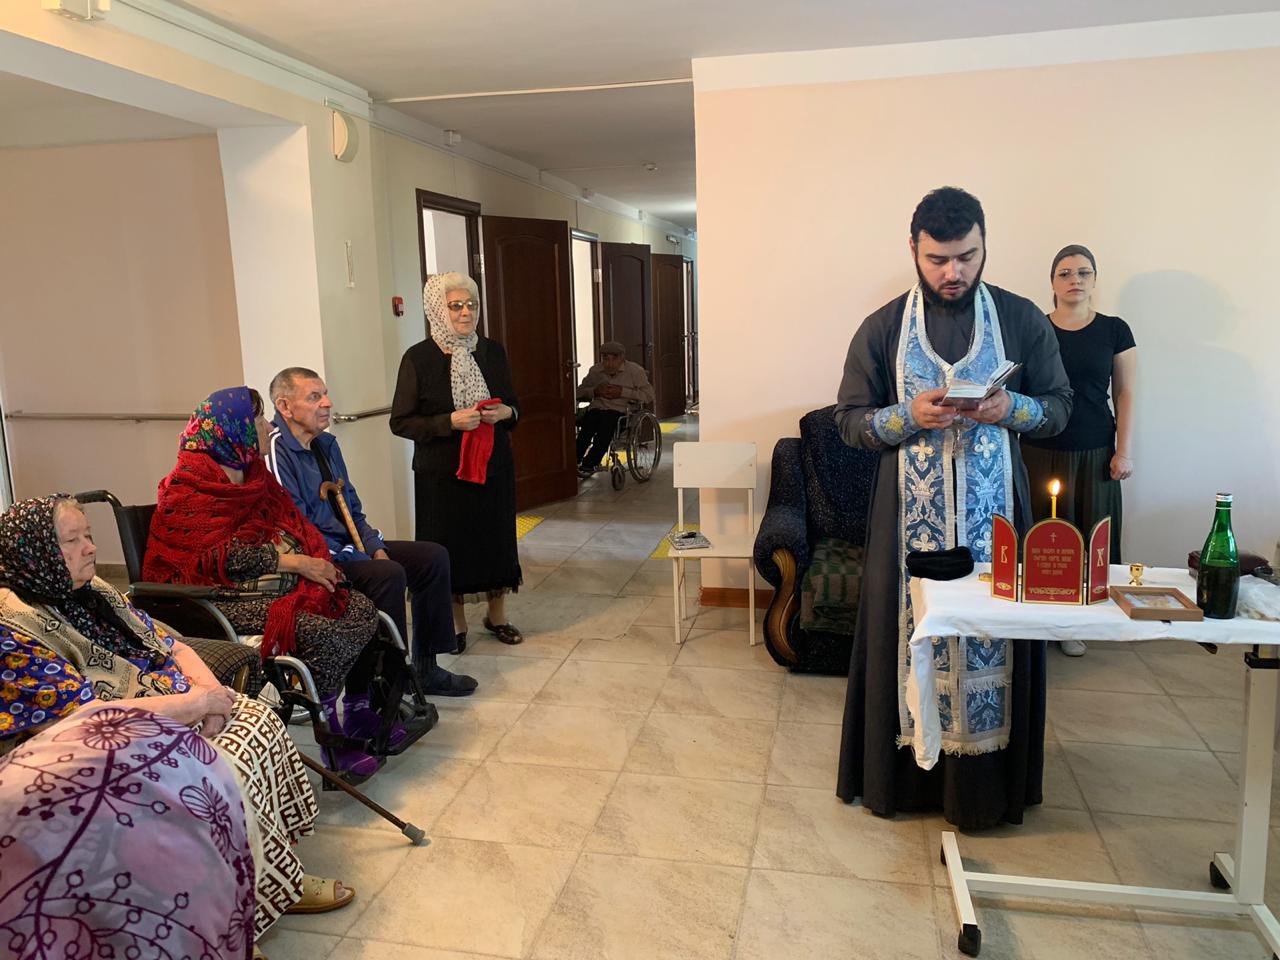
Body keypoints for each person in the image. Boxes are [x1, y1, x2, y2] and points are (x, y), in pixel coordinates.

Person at [0, 495, 355, 956]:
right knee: (213, 769)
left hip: (164, 705)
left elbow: (171, 644)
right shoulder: (14, 625)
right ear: (36, 553)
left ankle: (274, 876)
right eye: (72, 540)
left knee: (256, 720)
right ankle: (223, 921)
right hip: (88, 750)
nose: (91, 547)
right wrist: (195, 705)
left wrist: (213, 697)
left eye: (88, 535)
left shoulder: (93, 591)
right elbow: (86, 719)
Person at [834, 186, 1073, 830]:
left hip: (998, 523)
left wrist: (1011, 408)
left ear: (984, 245)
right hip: (905, 528)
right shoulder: (882, 328)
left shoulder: (1021, 318)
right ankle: (907, 784)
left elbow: (1059, 407)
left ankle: (985, 792)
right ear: (913, 250)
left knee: (994, 640)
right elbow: (849, 422)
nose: (952, 272)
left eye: (966, 257)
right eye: (937, 259)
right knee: (908, 637)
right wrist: (907, 415)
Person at [144, 387, 424, 785]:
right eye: (258, 420)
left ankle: (358, 711)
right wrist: (295, 562)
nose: (267, 426)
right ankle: (331, 735)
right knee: (314, 626)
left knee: (357, 606)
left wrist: (314, 559)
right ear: (234, 431)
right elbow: (214, 558)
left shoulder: (254, 476)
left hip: (262, 585)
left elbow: (293, 523)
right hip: (212, 595)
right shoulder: (187, 487)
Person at [266, 366, 477, 694]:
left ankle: (426, 669)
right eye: (314, 397)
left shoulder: (326, 445)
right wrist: (356, 554)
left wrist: (373, 545)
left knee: (431, 558)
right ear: (285, 406)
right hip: (319, 559)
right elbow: (296, 530)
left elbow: (352, 506)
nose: (327, 403)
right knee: (387, 574)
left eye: (325, 394)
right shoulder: (276, 452)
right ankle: (389, 687)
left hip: (349, 547)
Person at [391, 272, 524, 648]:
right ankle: (456, 623)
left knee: (496, 541)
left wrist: (507, 413)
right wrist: (448, 421)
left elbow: (515, 405)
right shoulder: (418, 358)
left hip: (493, 467)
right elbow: (401, 422)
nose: (466, 313)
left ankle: (497, 616)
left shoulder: (492, 352)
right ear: (437, 309)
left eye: (472, 305)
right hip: (441, 475)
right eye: (455, 306)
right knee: (449, 546)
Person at [1023, 245, 1137, 658]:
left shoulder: (1114, 330)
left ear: (1094, 279)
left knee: (1091, 539)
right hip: (1038, 449)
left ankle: (1077, 622)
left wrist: (1123, 451)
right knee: (1042, 538)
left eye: (1084, 273)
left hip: (1095, 451)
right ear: (1052, 282)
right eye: (1066, 273)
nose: (1075, 280)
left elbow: (1125, 393)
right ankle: (1039, 619)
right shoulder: (1035, 328)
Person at [575, 341, 656, 478]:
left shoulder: (635, 371)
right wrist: (595, 391)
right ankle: (574, 460)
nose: (610, 363)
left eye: (614, 358)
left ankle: (590, 463)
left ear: (622, 358)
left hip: (622, 411)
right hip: (597, 408)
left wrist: (622, 392)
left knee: (605, 428)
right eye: (606, 358)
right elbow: (579, 392)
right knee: (587, 429)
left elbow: (649, 395)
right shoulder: (595, 371)